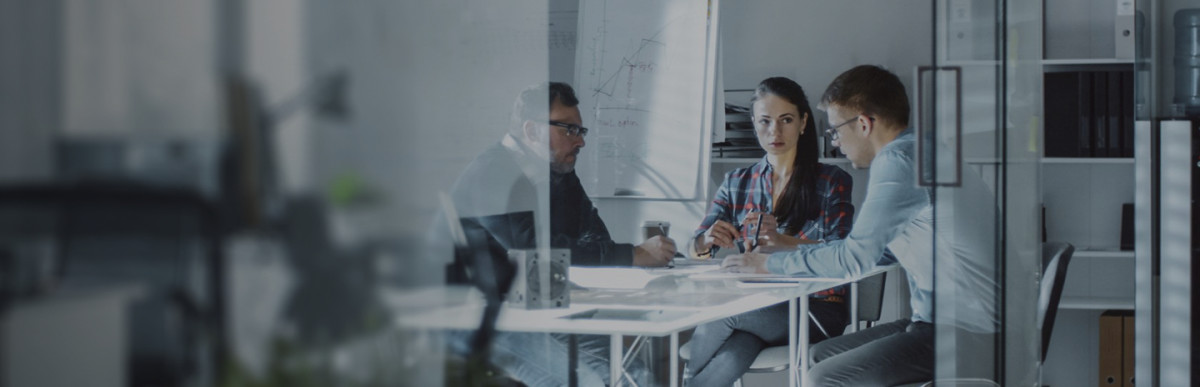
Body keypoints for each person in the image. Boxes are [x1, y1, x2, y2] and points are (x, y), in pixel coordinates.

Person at [721, 65, 998, 386]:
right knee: (817, 356)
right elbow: (881, 254)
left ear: (864, 124)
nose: (836, 142)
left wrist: (769, 265)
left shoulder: (900, 161)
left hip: (969, 333)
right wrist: (789, 245)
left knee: (824, 378)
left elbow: (856, 258)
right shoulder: (922, 149)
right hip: (939, 322)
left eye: (836, 130)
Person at [446, 82, 676, 386]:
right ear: (532, 131)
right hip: (486, 316)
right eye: (569, 130)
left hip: (543, 305)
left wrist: (624, 255)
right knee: (593, 381)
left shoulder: (556, 169)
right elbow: (534, 249)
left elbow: (593, 235)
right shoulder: (491, 174)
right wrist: (633, 254)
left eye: (580, 131)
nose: (579, 142)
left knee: (638, 378)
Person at [683, 77, 856, 386]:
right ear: (754, 123)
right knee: (735, 354)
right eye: (765, 121)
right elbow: (692, 248)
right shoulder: (738, 180)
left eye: (785, 120)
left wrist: (781, 242)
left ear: (803, 122)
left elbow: (841, 251)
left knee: (726, 314)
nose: (774, 131)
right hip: (756, 303)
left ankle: (673, 380)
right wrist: (706, 240)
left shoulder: (831, 180)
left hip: (816, 308)